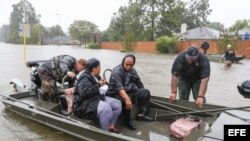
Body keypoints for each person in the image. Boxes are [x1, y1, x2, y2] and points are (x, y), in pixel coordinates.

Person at [73, 58, 122, 134]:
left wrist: (104, 84)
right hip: (83, 104)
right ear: (94, 68)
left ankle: (110, 127)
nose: (100, 68)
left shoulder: (96, 75)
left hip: (95, 98)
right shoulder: (84, 78)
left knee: (118, 104)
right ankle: (104, 134)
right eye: (99, 67)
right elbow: (84, 93)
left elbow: (101, 87)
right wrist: (99, 84)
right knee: (106, 108)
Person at [107, 54, 153, 131]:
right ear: (123, 62)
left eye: (130, 65)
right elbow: (119, 88)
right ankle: (127, 121)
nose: (128, 67)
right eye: (126, 64)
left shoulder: (133, 70)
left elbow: (139, 83)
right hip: (115, 94)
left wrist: (141, 95)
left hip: (129, 92)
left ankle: (141, 114)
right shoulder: (117, 71)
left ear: (133, 64)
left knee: (145, 92)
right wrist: (127, 99)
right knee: (125, 100)